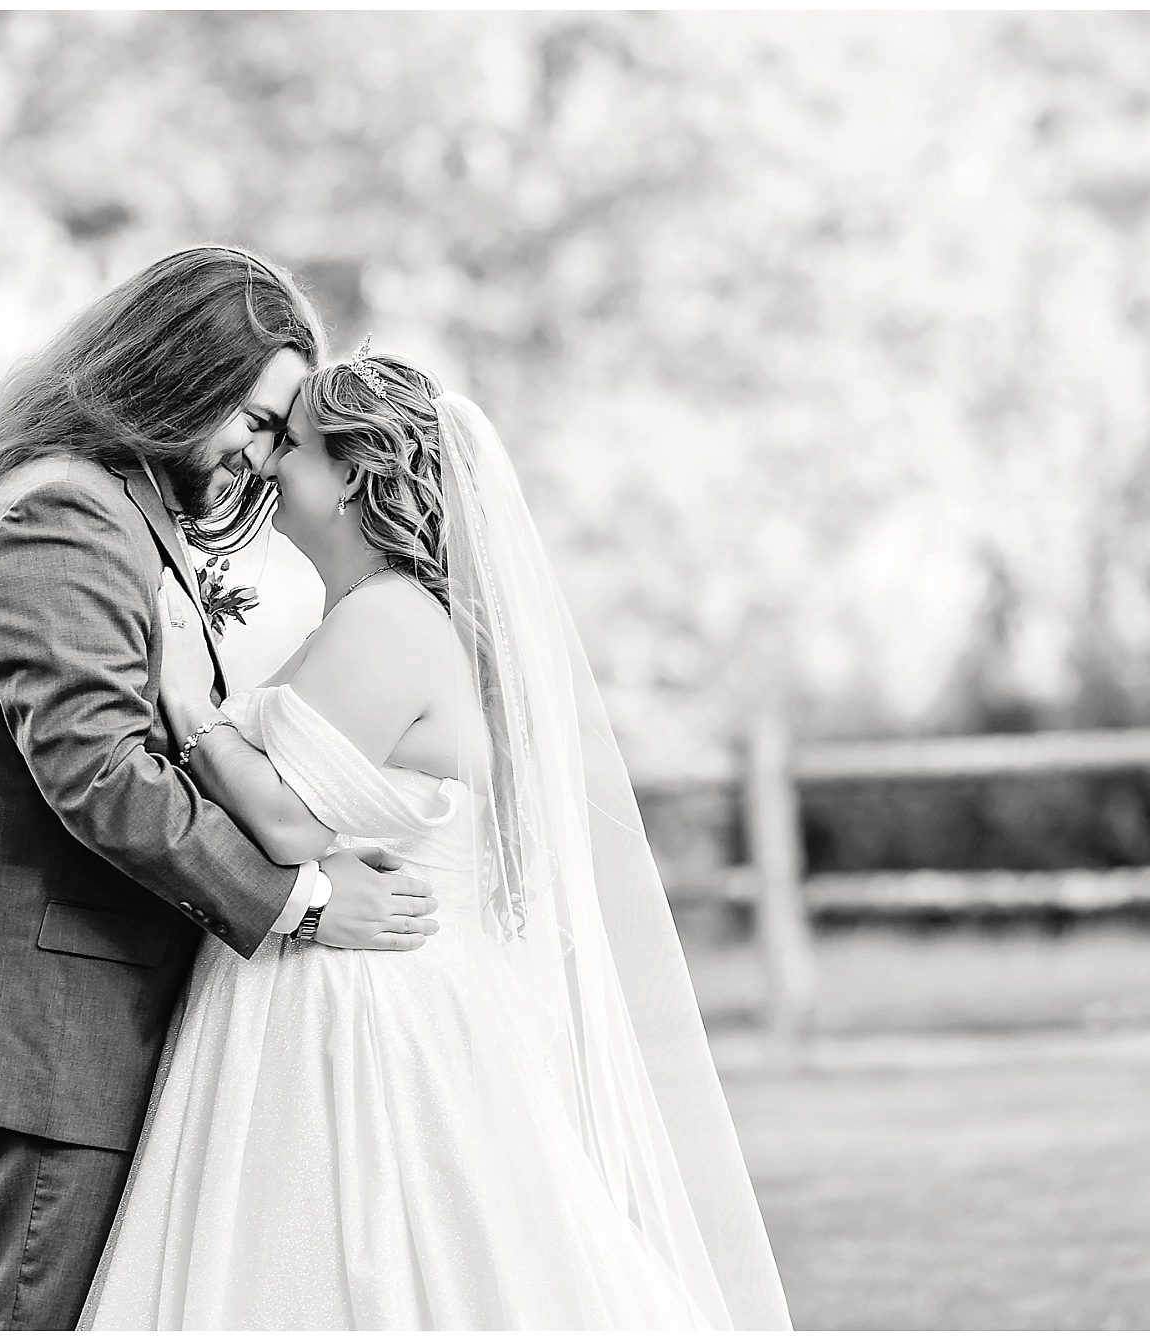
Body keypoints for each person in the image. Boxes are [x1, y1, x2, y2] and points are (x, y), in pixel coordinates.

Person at [79, 343, 793, 1329]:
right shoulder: (385, 616)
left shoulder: (386, 621)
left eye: (292, 445)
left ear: (354, 475)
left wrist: (187, 704)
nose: (267, 466)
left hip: (362, 1015)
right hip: (351, 984)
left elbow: (286, 820)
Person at [0, 249, 442, 1331]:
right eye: (256, 422)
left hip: (69, 1012)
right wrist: (305, 903)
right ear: (179, 373)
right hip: (42, 1025)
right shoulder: (57, 518)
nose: (260, 460)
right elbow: (103, 777)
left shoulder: (98, 505)